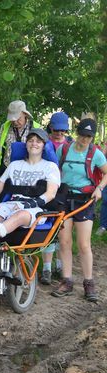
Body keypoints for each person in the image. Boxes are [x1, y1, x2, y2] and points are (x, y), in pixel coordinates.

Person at [0, 128, 60, 274]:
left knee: (19, 215)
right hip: (11, 204)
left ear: (44, 145)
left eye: (38, 141)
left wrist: (29, 204)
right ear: (26, 144)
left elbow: (50, 194)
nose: (34, 144)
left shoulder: (50, 167)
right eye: (31, 140)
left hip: (35, 208)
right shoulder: (14, 165)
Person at [51, 118, 107, 302]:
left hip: (85, 200)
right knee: (64, 241)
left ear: (92, 138)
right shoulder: (64, 149)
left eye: (89, 137)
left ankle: (88, 282)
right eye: (82, 135)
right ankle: (66, 281)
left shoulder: (95, 153)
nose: (85, 140)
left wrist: (99, 187)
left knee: (84, 244)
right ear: (77, 133)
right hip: (65, 199)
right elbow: (55, 170)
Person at [40, 111, 71, 285]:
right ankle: (46, 269)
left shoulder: (71, 145)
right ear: (51, 127)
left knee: (62, 230)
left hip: (65, 191)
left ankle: (60, 266)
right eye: (57, 129)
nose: (59, 133)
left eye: (63, 130)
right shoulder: (43, 143)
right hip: (47, 189)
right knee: (48, 228)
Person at [0, 100, 41, 184]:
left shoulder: (36, 128)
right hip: (7, 172)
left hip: (28, 173)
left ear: (25, 114)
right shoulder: (5, 127)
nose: (15, 122)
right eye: (12, 119)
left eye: (18, 119)